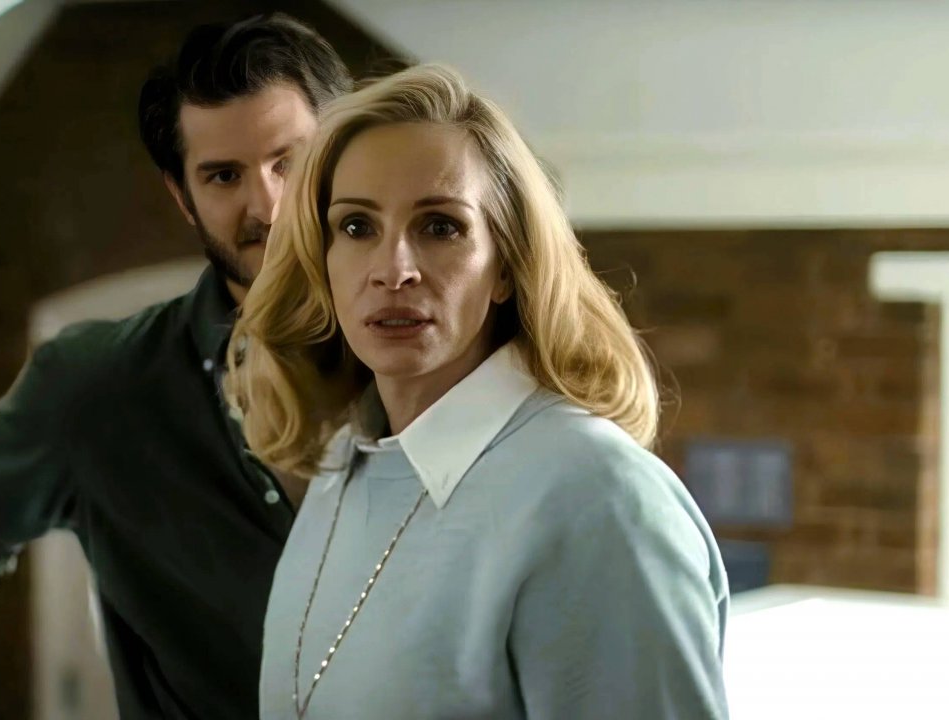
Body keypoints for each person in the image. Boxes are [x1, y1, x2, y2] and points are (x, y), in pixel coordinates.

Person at [0, 14, 352, 720]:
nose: (268, 204)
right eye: (224, 175)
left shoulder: (431, 358)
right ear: (181, 196)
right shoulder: (99, 384)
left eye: (291, 161)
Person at [227, 64, 730, 719]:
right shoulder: (342, 469)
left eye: (440, 227)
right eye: (356, 227)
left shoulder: (597, 496)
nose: (393, 270)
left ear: (506, 269)